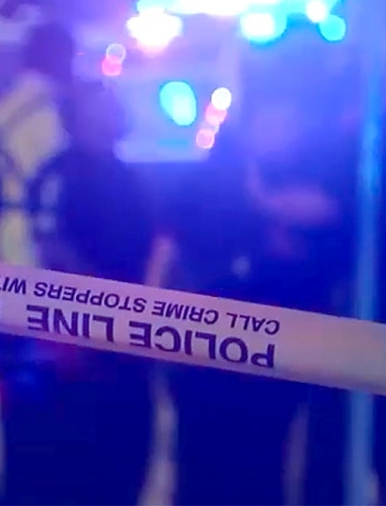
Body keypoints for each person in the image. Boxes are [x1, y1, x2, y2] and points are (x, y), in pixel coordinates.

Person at [159, 64, 355, 506]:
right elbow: (169, 248)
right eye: (280, 120)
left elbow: (327, 213)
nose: (288, 130)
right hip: (206, 358)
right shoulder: (213, 177)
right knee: (201, 472)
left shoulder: (308, 174)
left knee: (262, 473)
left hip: (272, 365)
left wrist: (265, 203)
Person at [0, 81, 156, 506]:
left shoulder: (122, 173)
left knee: (126, 456)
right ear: (82, 117)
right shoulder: (61, 174)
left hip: (125, 341)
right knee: (77, 463)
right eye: (105, 105)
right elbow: (52, 248)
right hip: (80, 349)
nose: (117, 112)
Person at [0, 22, 76, 268]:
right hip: (35, 233)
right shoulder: (45, 111)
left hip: (6, 226)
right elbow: (51, 176)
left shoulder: (4, 105)